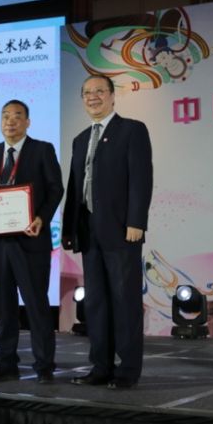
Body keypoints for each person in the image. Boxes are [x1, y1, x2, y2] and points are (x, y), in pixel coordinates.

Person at [0, 99, 63, 383]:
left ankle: (44, 366)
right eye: (5, 116)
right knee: (3, 309)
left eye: (17, 116)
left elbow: (56, 188)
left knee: (36, 306)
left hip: (30, 242)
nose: (10, 121)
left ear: (27, 122)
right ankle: (6, 364)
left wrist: (42, 217)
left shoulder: (42, 149)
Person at [62, 75, 153, 389]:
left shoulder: (131, 130)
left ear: (113, 96)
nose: (93, 97)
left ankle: (128, 370)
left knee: (125, 302)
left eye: (100, 91)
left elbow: (141, 178)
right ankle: (100, 367)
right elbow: (75, 186)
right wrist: (70, 228)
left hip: (121, 230)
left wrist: (136, 221)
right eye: (87, 92)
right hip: (89, 232)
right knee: (96, 303)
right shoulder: (80, 139)